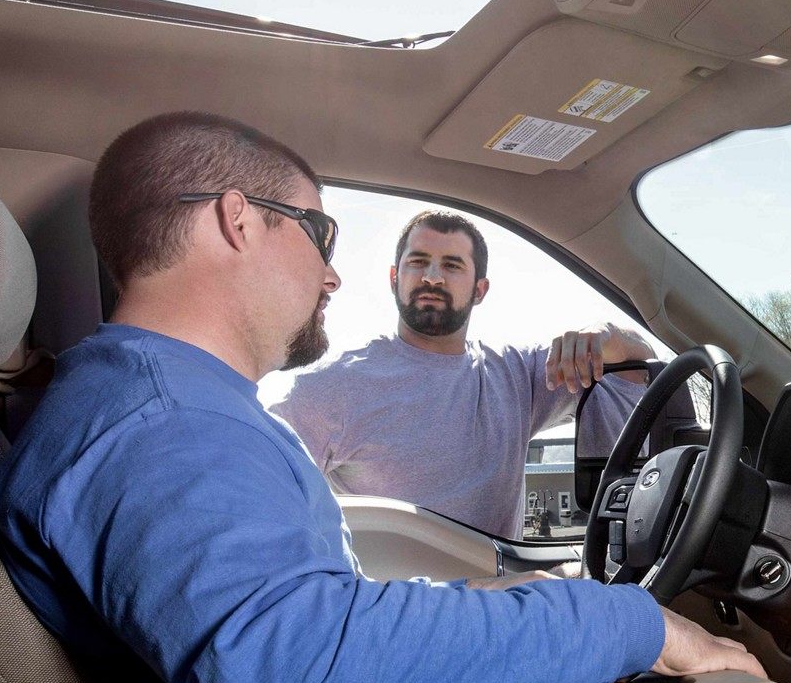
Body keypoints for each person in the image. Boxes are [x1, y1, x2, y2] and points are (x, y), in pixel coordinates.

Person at [0, 111, 763, 683]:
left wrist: (512, 604)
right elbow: (291, 663)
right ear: (238, 222)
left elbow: (291, 608)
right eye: (319, 235)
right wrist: (619, 621)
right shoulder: (166, 424)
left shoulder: (160, 401)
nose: (331, 274)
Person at [271, 209, 653, 539]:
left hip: (503, 602)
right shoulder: (331, 388)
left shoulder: (518, 376)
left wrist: (602, 335)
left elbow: (636, 368)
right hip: (395, 612)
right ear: (393, 278)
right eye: (417, 262)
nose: (432, 277)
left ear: (480, 290)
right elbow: (256, 492)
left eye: (452, 266)